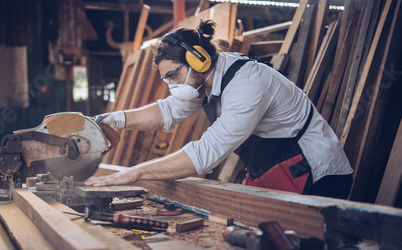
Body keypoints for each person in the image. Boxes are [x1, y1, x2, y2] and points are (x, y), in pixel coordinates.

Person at [86, 20, 353, 199]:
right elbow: (165, 112)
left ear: (198, 61)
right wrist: (108, 119)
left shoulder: (246, 86)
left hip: (319, 176)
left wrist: (134, 172)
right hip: (280, 167)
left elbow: (205, 153)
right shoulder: (208, 78)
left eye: (173, 76)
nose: (171, 85)